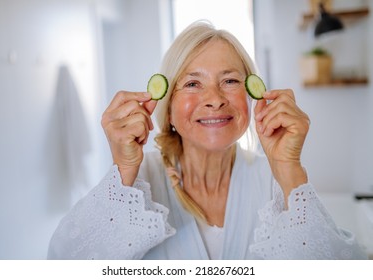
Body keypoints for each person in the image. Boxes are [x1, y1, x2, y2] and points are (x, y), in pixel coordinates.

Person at [47, 21, 367, 260]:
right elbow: (65, 264)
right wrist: (123, 170)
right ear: (168, 108)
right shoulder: (134, 189)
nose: (214, 99)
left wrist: (290, 171)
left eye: (229, 80)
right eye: (192, 83)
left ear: (253, 96)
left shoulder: (275, 183)